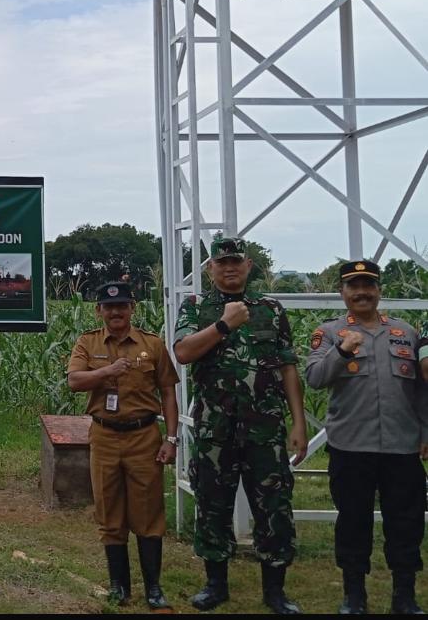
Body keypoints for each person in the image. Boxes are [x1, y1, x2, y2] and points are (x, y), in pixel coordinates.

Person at [173, 234, 307, 614]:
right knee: (213, 504)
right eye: (221, 263)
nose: (229, 268)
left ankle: (275, 590)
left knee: (274, 507)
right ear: (210, 268)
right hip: (215, 430)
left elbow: (287, 367)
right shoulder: (196, 307)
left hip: (265, 429)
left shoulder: (270, 308)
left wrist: (298, 423)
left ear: (248, 266)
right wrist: (223, 325)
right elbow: (182, 352)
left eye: (236, 262)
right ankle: (215, 585)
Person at [305, 260, 428, 614]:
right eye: (353, 286)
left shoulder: (405, 332)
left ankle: (404, 596)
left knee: (406, 523)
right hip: (351, 447)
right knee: (353, 522)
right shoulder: (329, 333)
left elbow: (421, 390)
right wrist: (343, 351)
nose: (361, 292)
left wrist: (425, 430)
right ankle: (354, 596)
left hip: (401, 446)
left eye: (368, 285)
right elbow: (314, 378)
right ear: (342, 292)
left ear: (379, 290)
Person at [67, 282, 178, 610]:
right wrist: (107, 371)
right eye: (108, 307)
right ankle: (119, 587)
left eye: (122, 306)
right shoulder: (88, 343)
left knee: (148, 514)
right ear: (98, 310)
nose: (115, 312)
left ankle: (154, 588)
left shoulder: (152, 345)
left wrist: (171, 439)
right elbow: (74, 381)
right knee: (109, 512)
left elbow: (169, 393)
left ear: (133, 308)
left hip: (144, 437)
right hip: (104, 436)